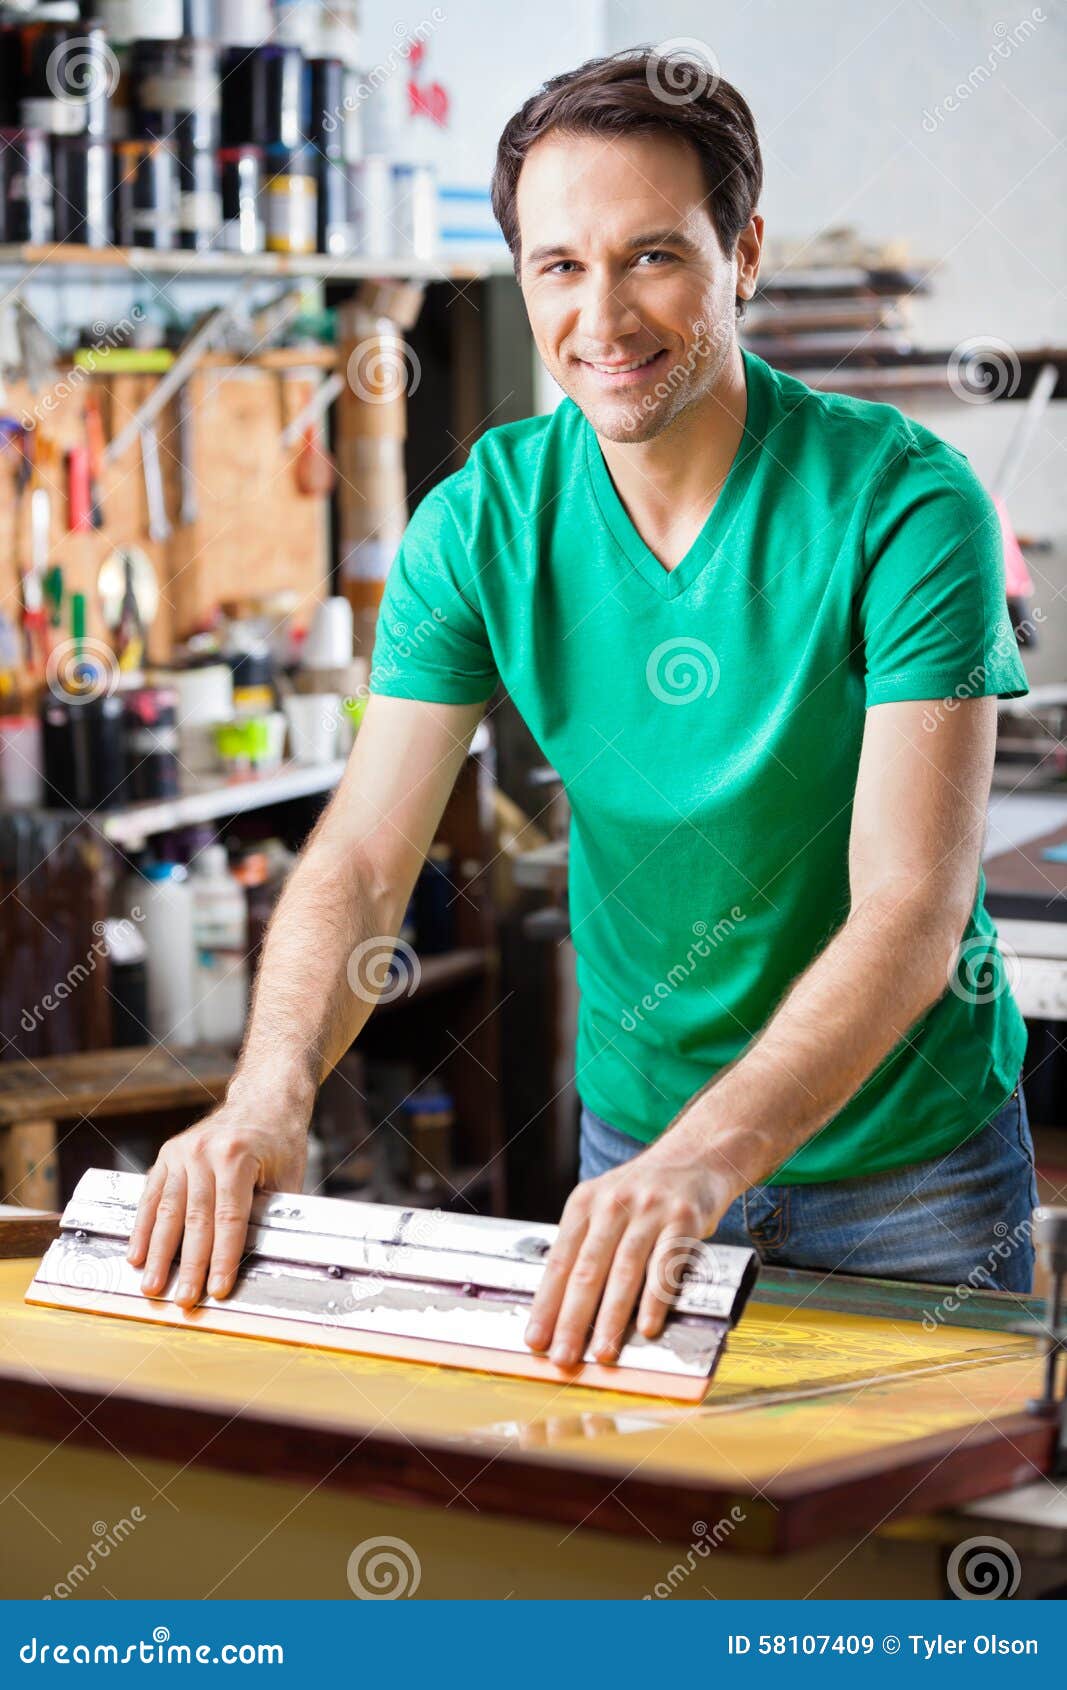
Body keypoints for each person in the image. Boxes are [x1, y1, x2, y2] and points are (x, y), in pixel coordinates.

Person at [128, 49, 1036, 1372]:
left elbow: (911, 908)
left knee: (914, 1562)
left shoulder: (908, 507)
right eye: (559, 266)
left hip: (909, 1170)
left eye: (653, 256)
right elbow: (368, 855)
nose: (603, 318)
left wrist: (701, 1164)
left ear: (746, 253)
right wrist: (267, 1099)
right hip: (640, 1156)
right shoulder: (481, 524)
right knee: (658, 1552)